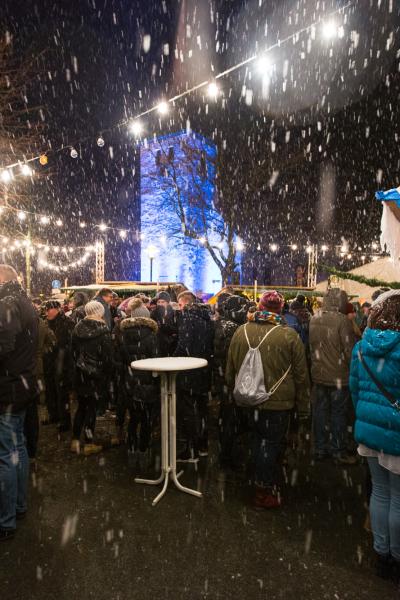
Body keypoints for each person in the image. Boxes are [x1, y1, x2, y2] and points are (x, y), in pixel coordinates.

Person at [226, 290, 310, 509]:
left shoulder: (240, 331)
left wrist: (231, 392)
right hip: (278, 402)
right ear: (280, 309)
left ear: (260, 307)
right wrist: (303, 410)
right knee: (270, 444)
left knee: (255, 439)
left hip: (246, 399)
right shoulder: (289, 335)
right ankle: (262, 490)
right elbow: (301, 377)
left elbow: (230, 370)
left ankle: (254, 479)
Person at [350, 291, 400, 586]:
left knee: (380, 493)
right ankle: (396, 557)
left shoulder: (361, 347)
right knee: (398, 498)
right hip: (396, 435)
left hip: (369, 431)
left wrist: (368, 418)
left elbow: (355, 389)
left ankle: (382, 554)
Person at [0, 265, 39, 541]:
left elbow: (5, 344)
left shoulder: (8, 304)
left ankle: (6, 519)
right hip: (23, 385)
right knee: (19, 448)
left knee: (5, 455)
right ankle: (20, 506)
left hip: (9, 389)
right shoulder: (25, 302)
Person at [309, 288, 358, 464]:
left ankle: (320, 448)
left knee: (320, 412)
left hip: (318, 374)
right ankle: (338, 451)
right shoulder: (342, 321)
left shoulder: (314, 317)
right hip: (339, 376)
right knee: (338, 414)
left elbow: (311, 347)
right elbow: (349, 350)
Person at [115, 298, 159, 454]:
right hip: (147, 381)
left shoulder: (123, 334)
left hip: (130, 380)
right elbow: (155, 359)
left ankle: (132, 445)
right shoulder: (151, 336)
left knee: (134, 416)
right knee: (146, 416)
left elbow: (119, 359)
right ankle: (144, 446)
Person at [174, 291, 214, 462]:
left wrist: (173, 359)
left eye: (180, 305)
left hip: (189, 370)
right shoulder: (206, 319)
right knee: (202, 408)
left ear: (185, 304)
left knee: (189, 411)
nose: (179, 309)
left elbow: (184, 346)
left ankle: (191, 450)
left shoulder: (188, 319)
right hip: (204, 369)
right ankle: (203, 446)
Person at [70, 301, 113, 455]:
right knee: (92, 409)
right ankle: (88, 443)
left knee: (81, 407)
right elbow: (107, 358)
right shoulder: (103, 330)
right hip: (95, 376)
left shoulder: (77, 328)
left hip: (80, 374)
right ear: (100, 313)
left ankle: (75, 440)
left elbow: (73, 353)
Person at [213, 294, 249, 469]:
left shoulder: (223, 324)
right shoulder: (233, 328)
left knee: (227, 415)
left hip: (224, 378)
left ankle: (226, 451)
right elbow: (232, 358)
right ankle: (227, 455)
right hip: (229, 379)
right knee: (230, 417)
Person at [45, 300, 75, 433]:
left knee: (61, 392)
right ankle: (54, 415)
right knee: (50, 390)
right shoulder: (46, 323)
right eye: (45, 310)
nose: (46, 312)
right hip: (49, 362)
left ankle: (64, 420)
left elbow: (68, 344)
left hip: (62, 363)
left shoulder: (67, 322)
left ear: (57, 309)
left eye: (49, 309)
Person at [151, 292, 178, 357]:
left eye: (163, 302)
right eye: (158, 302)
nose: (160, 304)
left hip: (172, 345)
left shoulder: (174, 313)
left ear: (168, 303)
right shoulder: (153, 314)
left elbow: (176, 329)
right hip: (158, 346)